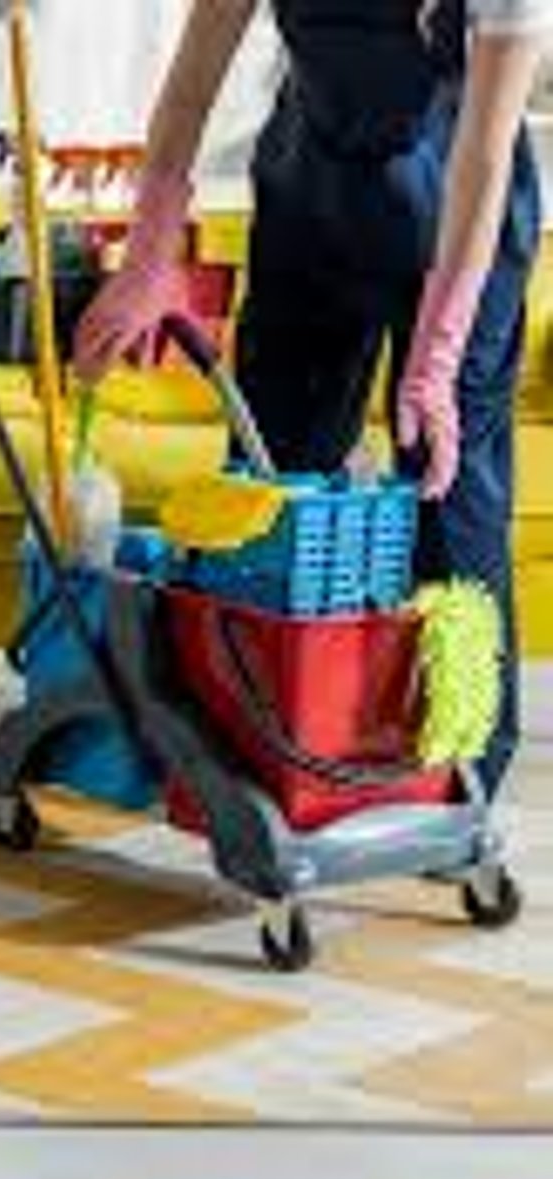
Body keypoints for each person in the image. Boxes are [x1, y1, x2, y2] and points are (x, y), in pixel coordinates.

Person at [76, 0, 551, 802]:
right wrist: (151, 252)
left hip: (458, 210)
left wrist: (436, 361)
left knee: (448, 484)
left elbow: (484, 154)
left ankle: (459, 773)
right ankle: (260, 738)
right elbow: (190, 88)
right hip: (315, 194)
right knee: (268, 479)